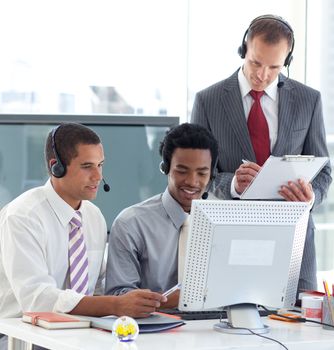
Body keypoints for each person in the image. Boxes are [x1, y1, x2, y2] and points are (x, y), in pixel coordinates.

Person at [191, 14, 332, 293]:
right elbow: (195, 175)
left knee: (298, 327)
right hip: (232, 238)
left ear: (287, 62)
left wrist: (311, 195)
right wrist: (232, 184)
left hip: (295, 241)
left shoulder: (309, 100)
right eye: (256, 62)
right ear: (244, 48)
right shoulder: (208, 101)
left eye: (274, 67)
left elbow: (324, 171)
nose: (262, 74)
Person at [0, 123, 166, 349]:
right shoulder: (23, 216)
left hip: (77, 334)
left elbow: (97, 285)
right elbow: (37, 299)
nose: (98, 176)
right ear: (56, 167)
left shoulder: (93, 217)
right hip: (21, 336)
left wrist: (137, 298)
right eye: (87, 166)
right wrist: (115, 305)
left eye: (100, 165)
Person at [105, 123, 219, 308]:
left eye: (202, 173)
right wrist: (178, 299)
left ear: (212, 174)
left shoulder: (225, 220)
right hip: (153, 331)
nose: (192, 181)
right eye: (182, 171)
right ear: (165, 168)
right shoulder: (131, 223)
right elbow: (119, 296)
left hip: (215, 327)